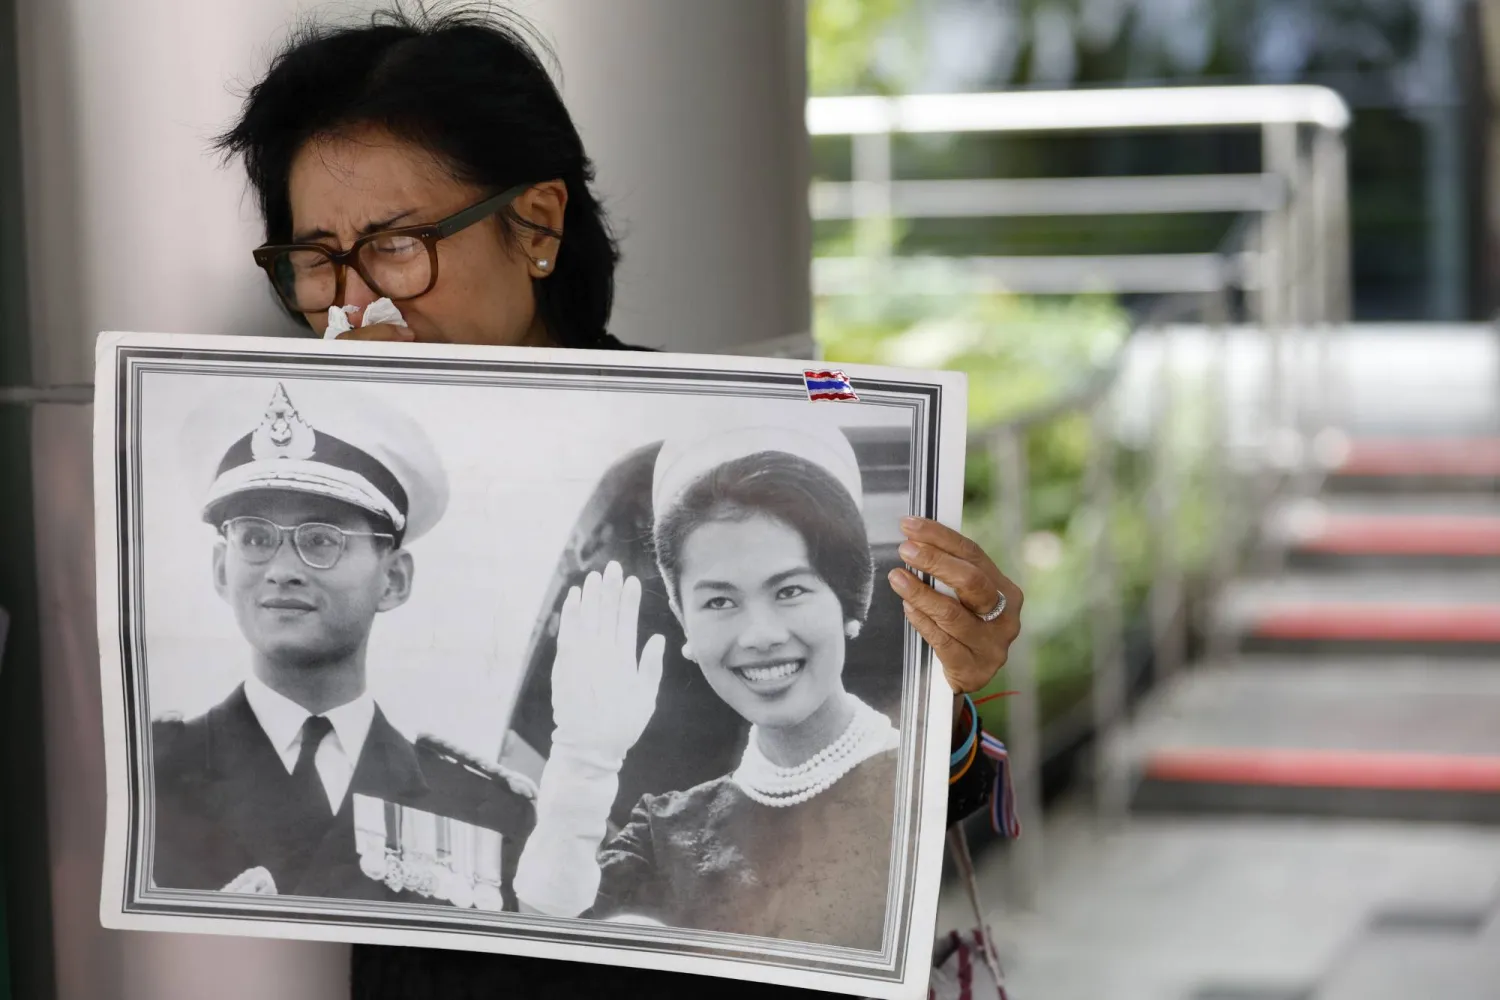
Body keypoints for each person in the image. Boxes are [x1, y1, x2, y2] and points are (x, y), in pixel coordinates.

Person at [214, 5, 1025, 996]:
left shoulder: (691, 456)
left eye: (396, 245)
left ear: (539, 225)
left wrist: (953, 682)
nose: (356, 304)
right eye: (318, 260)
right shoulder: (316, 521)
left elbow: (893, 798)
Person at [513, 417, 925, 951]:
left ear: (850, 598)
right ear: (685, 625)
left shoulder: (924, 779)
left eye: (790, 590)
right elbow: (542, 950)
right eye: (720, 602)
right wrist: (583, 763)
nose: (759, 636)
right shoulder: (666, 833)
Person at [152, 378, 537, 908]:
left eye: (320, 540)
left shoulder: (484, 809)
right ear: (222, 568)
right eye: (256, 539)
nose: (282, 571)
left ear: (394, 580)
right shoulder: (148, 772)